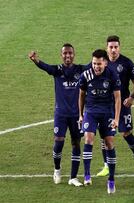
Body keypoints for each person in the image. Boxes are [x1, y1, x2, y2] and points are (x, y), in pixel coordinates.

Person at [28, 44, 84, 187]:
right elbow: (45, 67)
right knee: (59, 142)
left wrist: (105, 56)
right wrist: (35, 60)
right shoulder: (57, 71)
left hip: (77, 115)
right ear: (61, 55)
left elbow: (94, 65)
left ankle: (73, 177)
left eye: (70, 53)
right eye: (65, 53)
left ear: (74, 54)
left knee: (76, 143)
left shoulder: (80, 70)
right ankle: (57, 170)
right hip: (61, 114)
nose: (67, 56)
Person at [96, 35, 134, 177]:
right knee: (104, 136)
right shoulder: (101, 62)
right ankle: (106, 165)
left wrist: (132, 98)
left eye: (115, 47)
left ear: (119, 47)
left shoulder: (127, 63)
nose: (113, 50)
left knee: (126, 133)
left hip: (123, 103)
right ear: (107, 48)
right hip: (106, 105)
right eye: (110, 47)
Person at [78, 49, 121, 194]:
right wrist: (80, 114)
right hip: (90, 112)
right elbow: (82, 95)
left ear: (105, 63)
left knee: (109, 143)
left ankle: (111, 180)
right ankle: (87, 174)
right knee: (88, 139)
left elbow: (117, 98)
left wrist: (116, 119)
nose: (96, 66)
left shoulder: (112, 75)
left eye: (99, 64)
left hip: (107, 114)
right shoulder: (86, 75)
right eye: (94, 63)